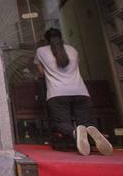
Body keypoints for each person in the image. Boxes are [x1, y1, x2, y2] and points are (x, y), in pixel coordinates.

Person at [34, 28, 113, 156]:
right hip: (81, 91)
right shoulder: (72, 50)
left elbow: (41, 72)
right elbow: (78, 67)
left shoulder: (41, 51)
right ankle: (90, 136)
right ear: (62, 37)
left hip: (57, 93)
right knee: (86, 123)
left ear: (46, 39)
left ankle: (76, 133)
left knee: (61, 123)